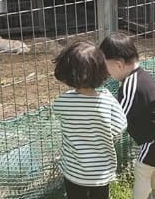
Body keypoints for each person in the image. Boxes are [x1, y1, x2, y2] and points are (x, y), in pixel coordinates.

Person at [100, 34, 155, 199]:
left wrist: (102, 134)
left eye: (105, 67)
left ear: (118, 64)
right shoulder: (141, 76)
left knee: (142, 171)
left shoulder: (131, 85)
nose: (105, 72)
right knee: (152, 169)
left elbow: (120, 117)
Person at [50, 42, 127, 199]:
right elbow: (121, 125)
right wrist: (104, 133)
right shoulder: (107, 100)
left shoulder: (63, 101)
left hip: (73, 170)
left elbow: (56, 111)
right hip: (101, 171)